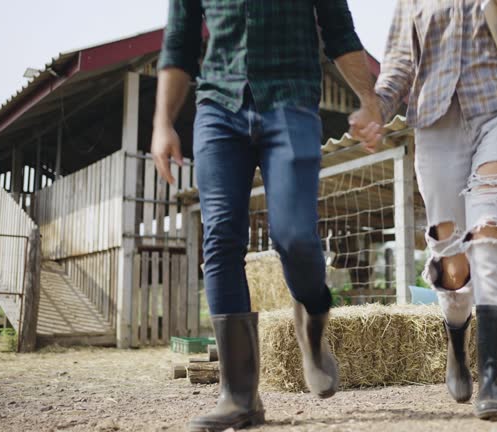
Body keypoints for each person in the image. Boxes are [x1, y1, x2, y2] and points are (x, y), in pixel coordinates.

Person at [152, 1, 382, 431]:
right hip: (219, 110)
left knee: (294, 236)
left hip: (290, 103)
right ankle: (239, 396)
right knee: (220, 236)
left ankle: (313, 321)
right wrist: (163, 123)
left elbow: (340, 32)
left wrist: (368, 100)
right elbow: (179, 44)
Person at [350, 0, 497, 420]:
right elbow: (399, 68)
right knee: (452, 261)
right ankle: (457, 339)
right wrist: (376, 112)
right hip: (437, 126)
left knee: (490, 229)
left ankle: (493, 373)